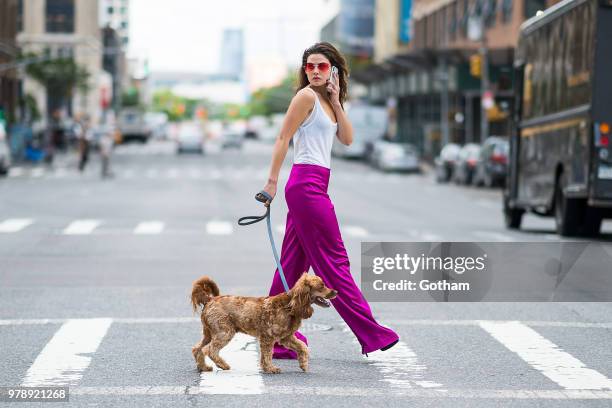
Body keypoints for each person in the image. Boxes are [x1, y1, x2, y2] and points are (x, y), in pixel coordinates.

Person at [261, 42, 399, 359]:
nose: (315, 71)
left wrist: (337, 101)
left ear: (333, 70)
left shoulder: (326, 100)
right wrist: (271, 182)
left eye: (322, 66)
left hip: (316, 185)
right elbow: (283, 138)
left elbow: (348, 140)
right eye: (309, 66)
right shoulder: (305, 97)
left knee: (293, 265)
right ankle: (372, 333)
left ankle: (277, 336)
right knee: (335, 263)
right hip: (305, 185)